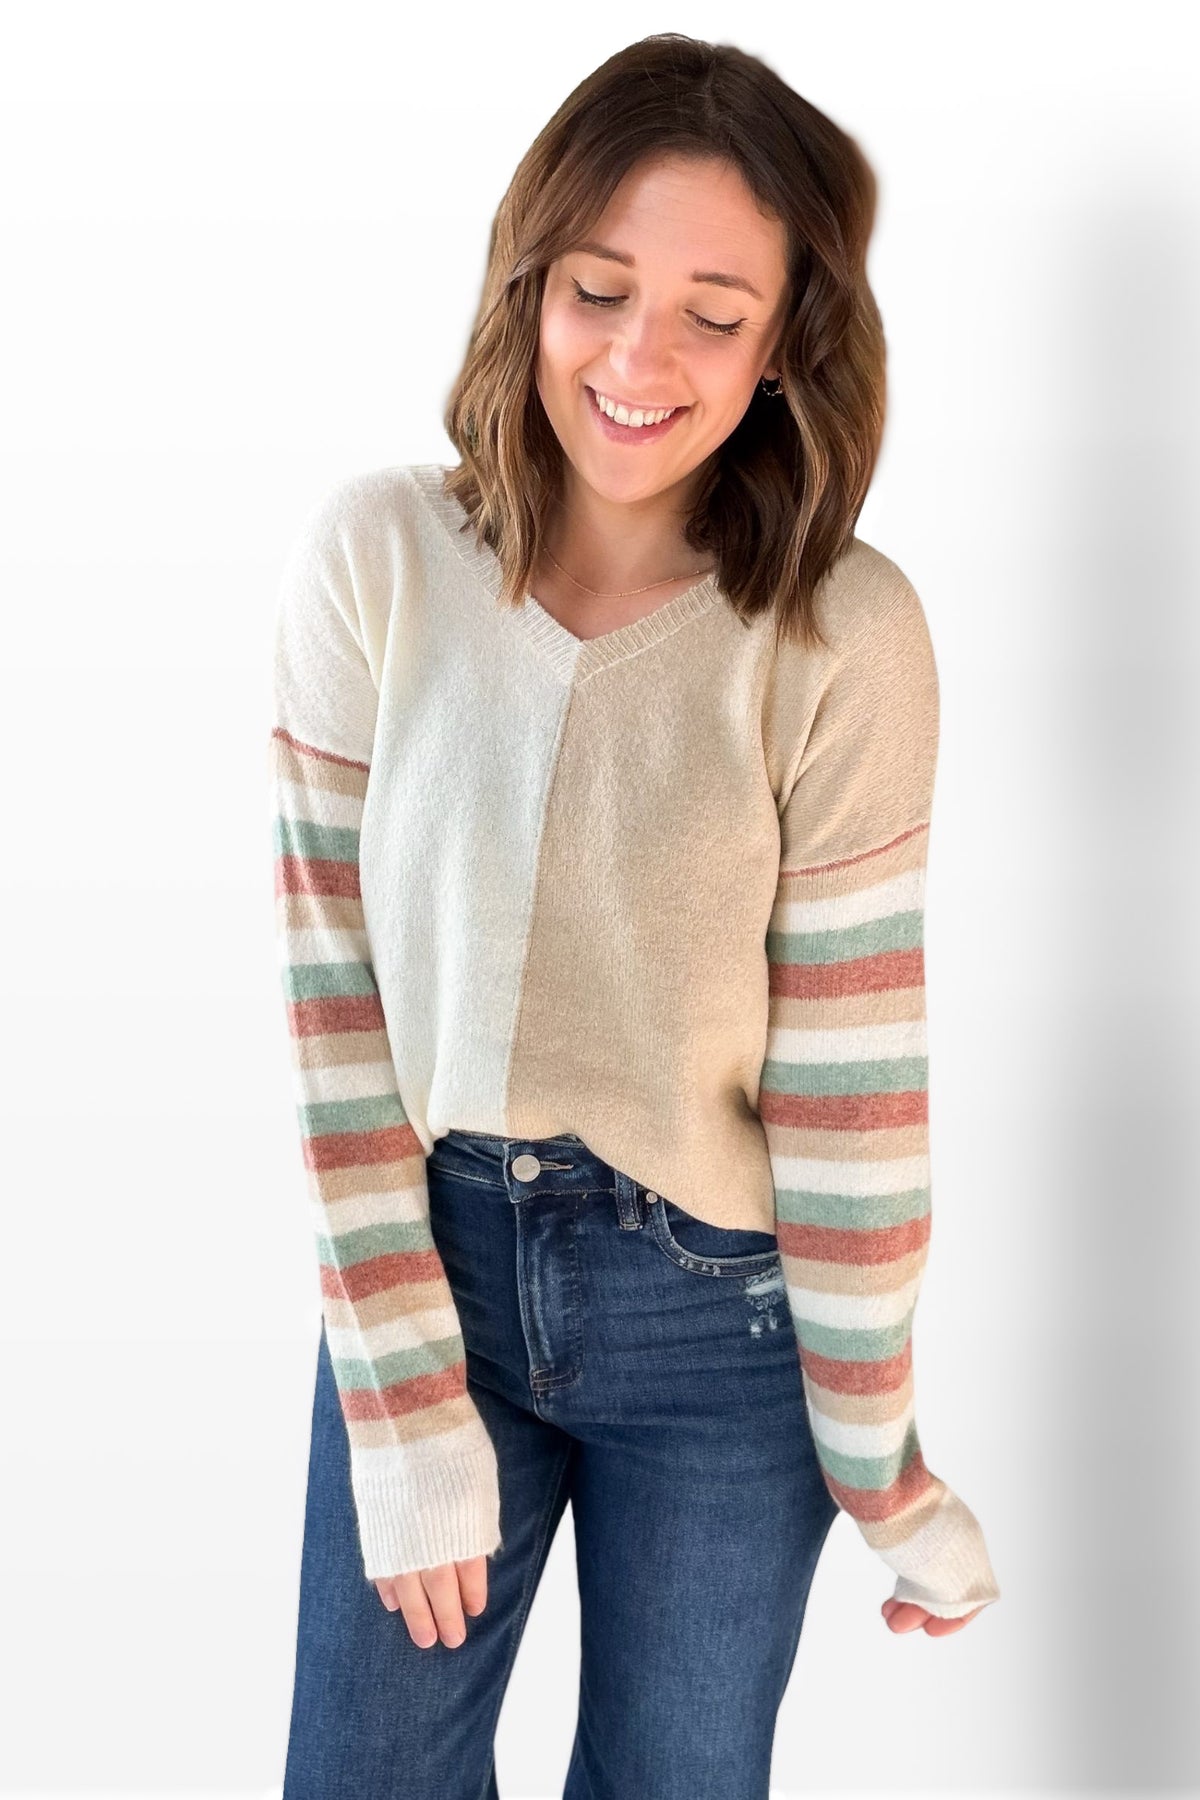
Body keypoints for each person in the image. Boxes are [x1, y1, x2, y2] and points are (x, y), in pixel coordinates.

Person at [269, 31, 1001, 1799]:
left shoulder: (846, 636)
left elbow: (851, 1097)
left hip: (725, 1329)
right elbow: (332, 1004)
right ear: (531, 278)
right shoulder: (378, 561)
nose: (639, 358)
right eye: (600, 289)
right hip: (430, 1273)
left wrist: (884, 1465)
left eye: (715, 314)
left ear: (790, 344)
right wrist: (401, 1402)